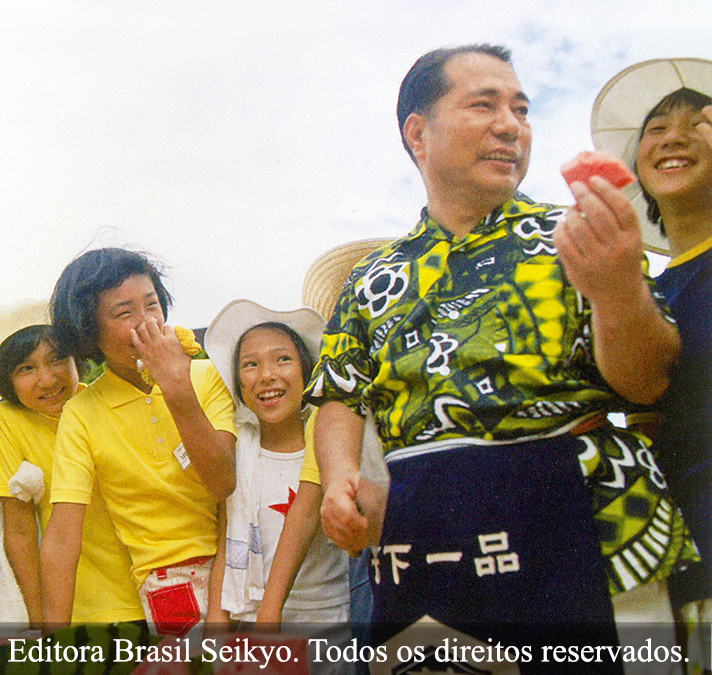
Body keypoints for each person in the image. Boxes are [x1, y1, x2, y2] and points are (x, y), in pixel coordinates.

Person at [304, 44, 697, 667]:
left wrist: (619, 289)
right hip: (424, 540)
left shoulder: (576, 235)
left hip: (581, 526)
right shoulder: (371, 277)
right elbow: (339, 396)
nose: (511, 125)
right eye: (483, 105)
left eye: (520, 109)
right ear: (418, 133)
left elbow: (648, 383)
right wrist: (338, 480)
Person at [40, 248, 235, 637]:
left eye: (151, 305)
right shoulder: (81, 412)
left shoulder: (208, 377)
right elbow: (62, 536)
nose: (146, 322)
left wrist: (176, 386)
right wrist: (53, 640)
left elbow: (223, 482)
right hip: (167, 583)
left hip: (239, 566)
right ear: (88, 331)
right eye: (124, 313)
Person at [593, 57, 712, 673]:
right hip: (687, 561)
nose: (673, 136)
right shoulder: (638, 295)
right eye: (656, 127)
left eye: (700, 122)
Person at [0, 300, 145, 627]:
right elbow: (19, 528)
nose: (46, 379)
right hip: (75, 606)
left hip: (153, 586)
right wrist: (39, 619)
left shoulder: (104, 400)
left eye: (57, 359)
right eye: (25, 368)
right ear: (5, 380)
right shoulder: (8, 419)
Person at [203, 299, 349, 633]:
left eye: (283, 359)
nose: (267, 375)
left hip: (323, 618)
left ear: (307, 370)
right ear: (238, 383)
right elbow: (226, 538)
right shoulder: (238, 448)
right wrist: (216, 621)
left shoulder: (330, 440)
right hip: (249, 617)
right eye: (250, 365)